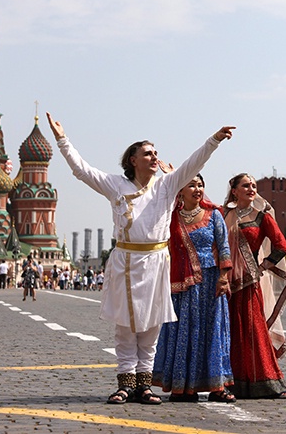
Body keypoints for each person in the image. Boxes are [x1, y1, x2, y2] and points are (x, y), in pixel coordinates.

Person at [47, 112, 234, 406]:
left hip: (157, 262)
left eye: (155, 153)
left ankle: (144, 386)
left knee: (151, 327)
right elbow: (82, 170)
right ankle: (125, 385)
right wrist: (62, 140)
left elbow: (193, 164)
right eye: (147, 153)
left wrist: (214, 140)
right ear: (133, 160)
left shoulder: (166, 186)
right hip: (125, 261)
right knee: (125, 327)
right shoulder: (116, 185)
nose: (154, 157)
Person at [153, 174, 236, 403]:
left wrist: (223, 277)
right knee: (184, 333)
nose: (197, 189)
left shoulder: (214, 214)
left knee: (212, 332)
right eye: (192, 185)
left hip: (210, 283)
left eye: (200, 185)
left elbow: (224, 247)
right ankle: (182, 387)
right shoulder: (170, 218)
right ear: (180, 190)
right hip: (182, 286)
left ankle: (217, 387)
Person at [224, 173, 286, 399]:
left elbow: (282, 246)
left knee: (254, 330)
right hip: (225, 284)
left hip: (249, 283)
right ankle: (229, 383)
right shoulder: (223, 215)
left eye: (253, 185)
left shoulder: (262, 217)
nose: (251, 189)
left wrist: (263, 266)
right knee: (230, 331)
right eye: (245, 185)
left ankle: (268, 381)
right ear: (234, 191)